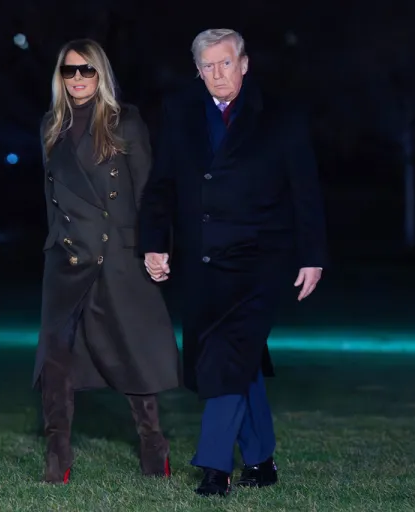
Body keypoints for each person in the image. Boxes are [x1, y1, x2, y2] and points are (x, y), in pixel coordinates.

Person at [139, 28, 327, 496]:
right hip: (203, 260)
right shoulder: (181, 112)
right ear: (197, 71)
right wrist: (154, 243)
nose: (218, 74)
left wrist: (312, 256)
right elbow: (162, 185)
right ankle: (260, 460)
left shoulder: (280, 115)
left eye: (226, 63)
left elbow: (305, 190)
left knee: (228, 353)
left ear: (244, 64)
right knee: (236, 358)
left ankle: (215, 466)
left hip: (260, 261)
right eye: (208, 66)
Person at [33, 38, 180, 484]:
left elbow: (149, 192)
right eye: (69, 70)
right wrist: (54, 243)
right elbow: (52, 197)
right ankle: (57, 456)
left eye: (87, 70)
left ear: (101, 75)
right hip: (66, 260)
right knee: (56, 360)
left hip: (116, 256)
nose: (77, 78)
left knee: (130, 355)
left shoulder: (124, 122)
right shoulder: (50, 126)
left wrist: (156, 247)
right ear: (60, 77)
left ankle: (153, 446)